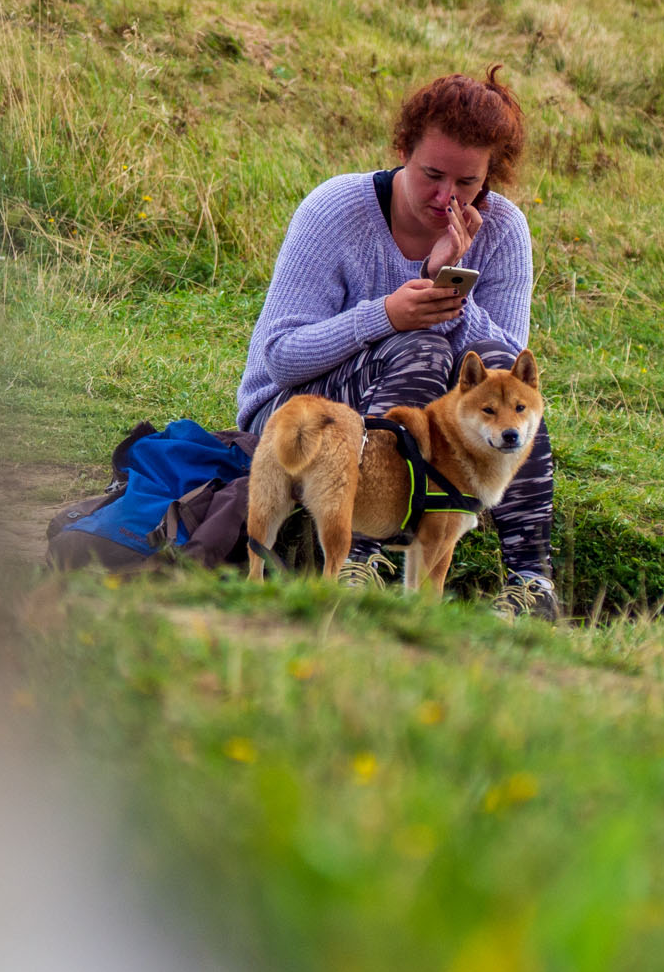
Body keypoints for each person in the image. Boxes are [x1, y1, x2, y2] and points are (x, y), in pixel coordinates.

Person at [234, 66, 557, 620]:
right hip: (293, 415)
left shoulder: (504, 231)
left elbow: (501, 373)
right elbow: (280, 356)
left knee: (500, 380)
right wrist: (384, 315)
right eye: (431, 174)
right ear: (404, 149)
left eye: (467, 182)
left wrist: (450, 284)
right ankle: (365, 558)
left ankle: (531, 583)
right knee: (421, 348)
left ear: (490, 175)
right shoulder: (336, 209)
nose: (445, 197)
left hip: (426, 422)